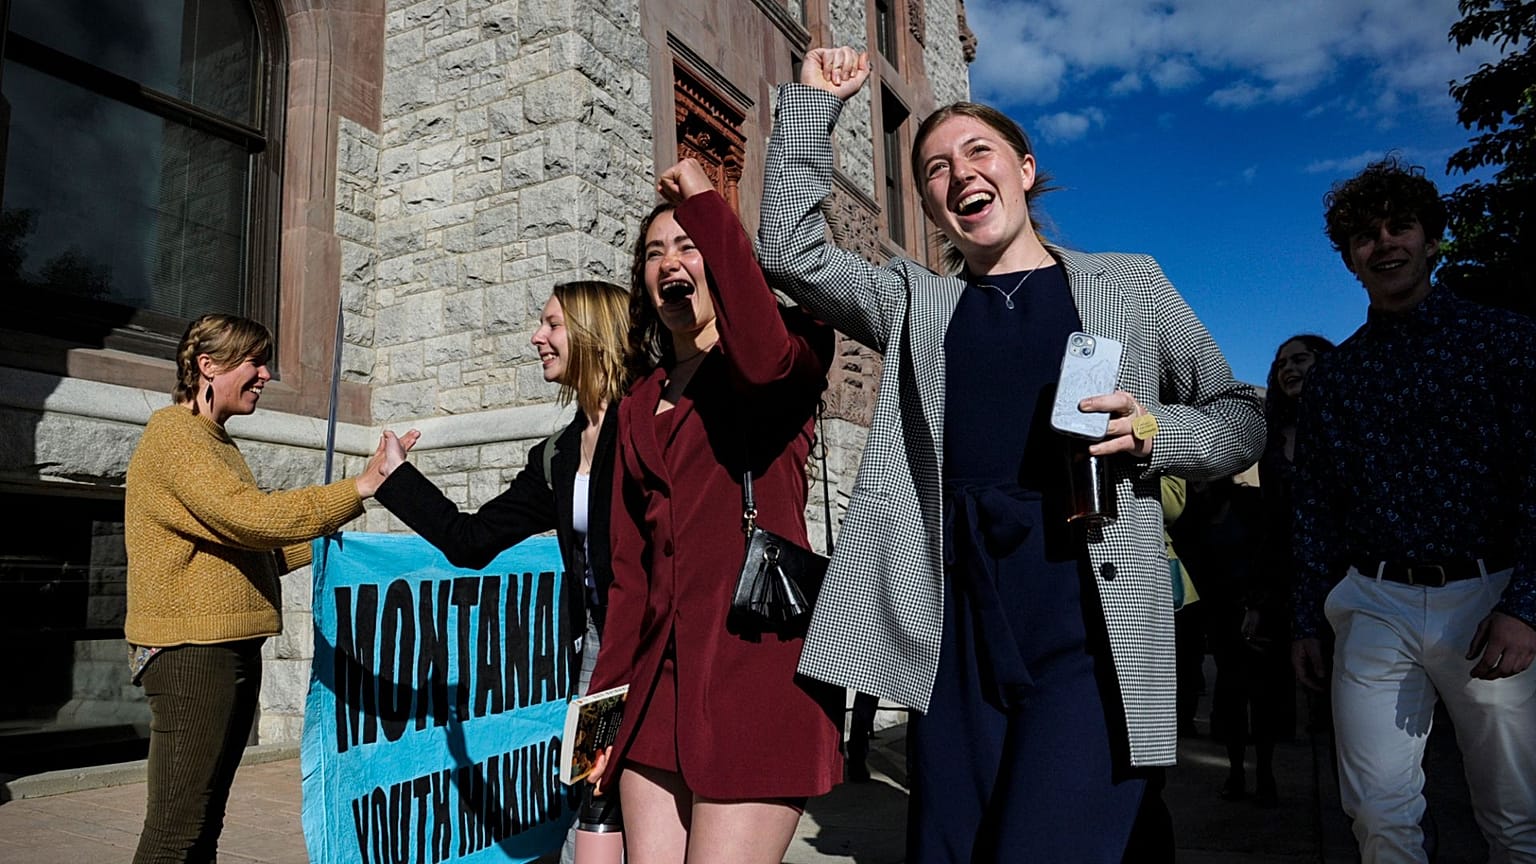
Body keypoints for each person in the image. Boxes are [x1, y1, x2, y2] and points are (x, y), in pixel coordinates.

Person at [757, 47, 1267, 862]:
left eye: (978, 152)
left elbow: (1241, 416)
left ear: (1024, 171)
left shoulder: (1126, 285)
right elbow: (788, 252)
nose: (958, 173)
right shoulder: (917, 301)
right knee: (951, 848)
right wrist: (815, 107)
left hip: (1084, 614)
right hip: (955, 620)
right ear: (931, 202)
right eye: (933, 168)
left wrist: (1157, 432)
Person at [586, 158, 841, 864]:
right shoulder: (636, 407)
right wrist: (597, 731)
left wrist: (704, 202)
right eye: (654, 252)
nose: (670, 261)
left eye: (688, 245)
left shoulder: (786, 356)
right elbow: (626, 583)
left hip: (756, 677)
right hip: (656, 696)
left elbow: (760, 357)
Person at [1291, 156, 1536, 863]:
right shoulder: (1337, 374)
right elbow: (1316, 506)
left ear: (1432, 239)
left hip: (1490, 599)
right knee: (1376, 814)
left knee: (1517, 817)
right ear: (1349, 260)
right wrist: (1307, 617)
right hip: (1375, 601)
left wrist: (1526, 604)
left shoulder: (1506, 342)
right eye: (1365, 236)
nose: (1384, 243)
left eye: (1400, 227)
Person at [370, 280, 633, 864]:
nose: (537, 337)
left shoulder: (651, 425)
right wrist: (396, 476)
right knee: (593, 795)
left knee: (643, 802)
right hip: (597, 654)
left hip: (657, 650)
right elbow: (473, 541)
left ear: (593, 333)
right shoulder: (558, 453)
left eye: (552, 325)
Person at [125, 313, 400, 863]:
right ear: (208, 365)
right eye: (255, 361)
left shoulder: (214, 440)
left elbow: (250, 547)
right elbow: (248, 518)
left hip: (223, 650)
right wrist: (358, 486)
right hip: (192, 655)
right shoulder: (176, 437)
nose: (266, 374)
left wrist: (327, 530)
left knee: (203, 821)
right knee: (176, 831)